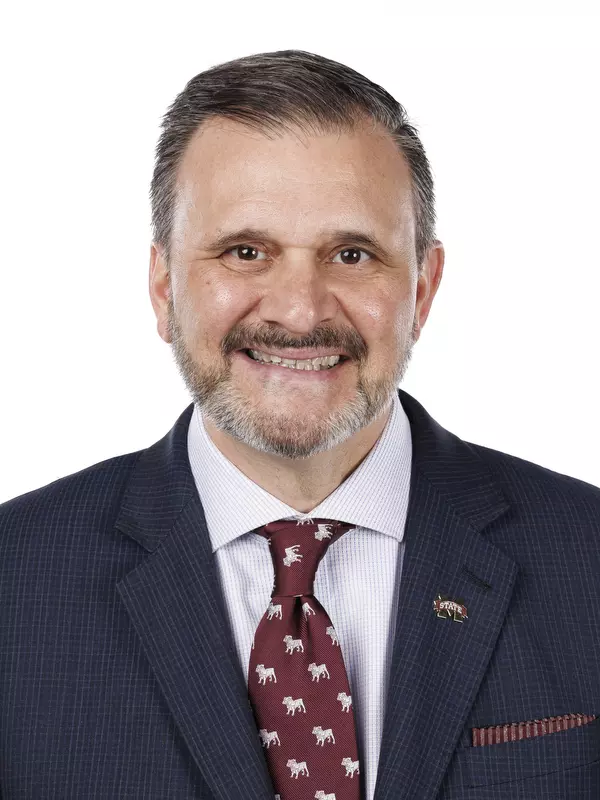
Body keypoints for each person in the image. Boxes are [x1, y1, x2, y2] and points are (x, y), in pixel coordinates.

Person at [0, 49, 598, 800]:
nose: (300, 309)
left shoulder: (589, 558)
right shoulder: (15, 582)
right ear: (163, 288)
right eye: (244, 252)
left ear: (423, 288)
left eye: (352, 254)